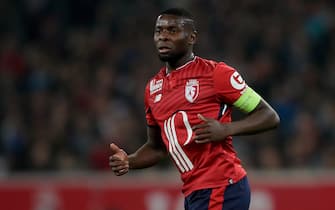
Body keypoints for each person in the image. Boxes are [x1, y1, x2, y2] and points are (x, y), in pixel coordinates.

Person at [109, 8, 280, 210]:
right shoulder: (153, 89)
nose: (163, 36)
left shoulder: (217, 74)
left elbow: (269, 116)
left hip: (223, 185)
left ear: (192, 37)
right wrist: (129, 161)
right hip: (194, 193)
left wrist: (226, 129)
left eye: (172, 30)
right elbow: (157, 148)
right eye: (159, 31)